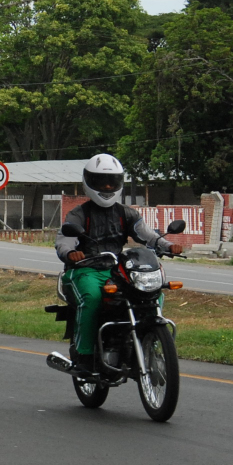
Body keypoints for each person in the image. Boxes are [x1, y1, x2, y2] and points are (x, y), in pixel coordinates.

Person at [54, 153, 182, 372]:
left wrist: (168, 245)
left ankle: (146, 339)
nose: (106, 186)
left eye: (112, 181)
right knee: (92, 298)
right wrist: (70, 253)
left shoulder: (126, 213)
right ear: (88, 182)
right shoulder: (78, 214)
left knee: (152, 293)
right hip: (86, 270)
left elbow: (148, 235)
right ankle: (83, 356)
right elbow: (64, 241)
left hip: (117, 270)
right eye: (100, 181)